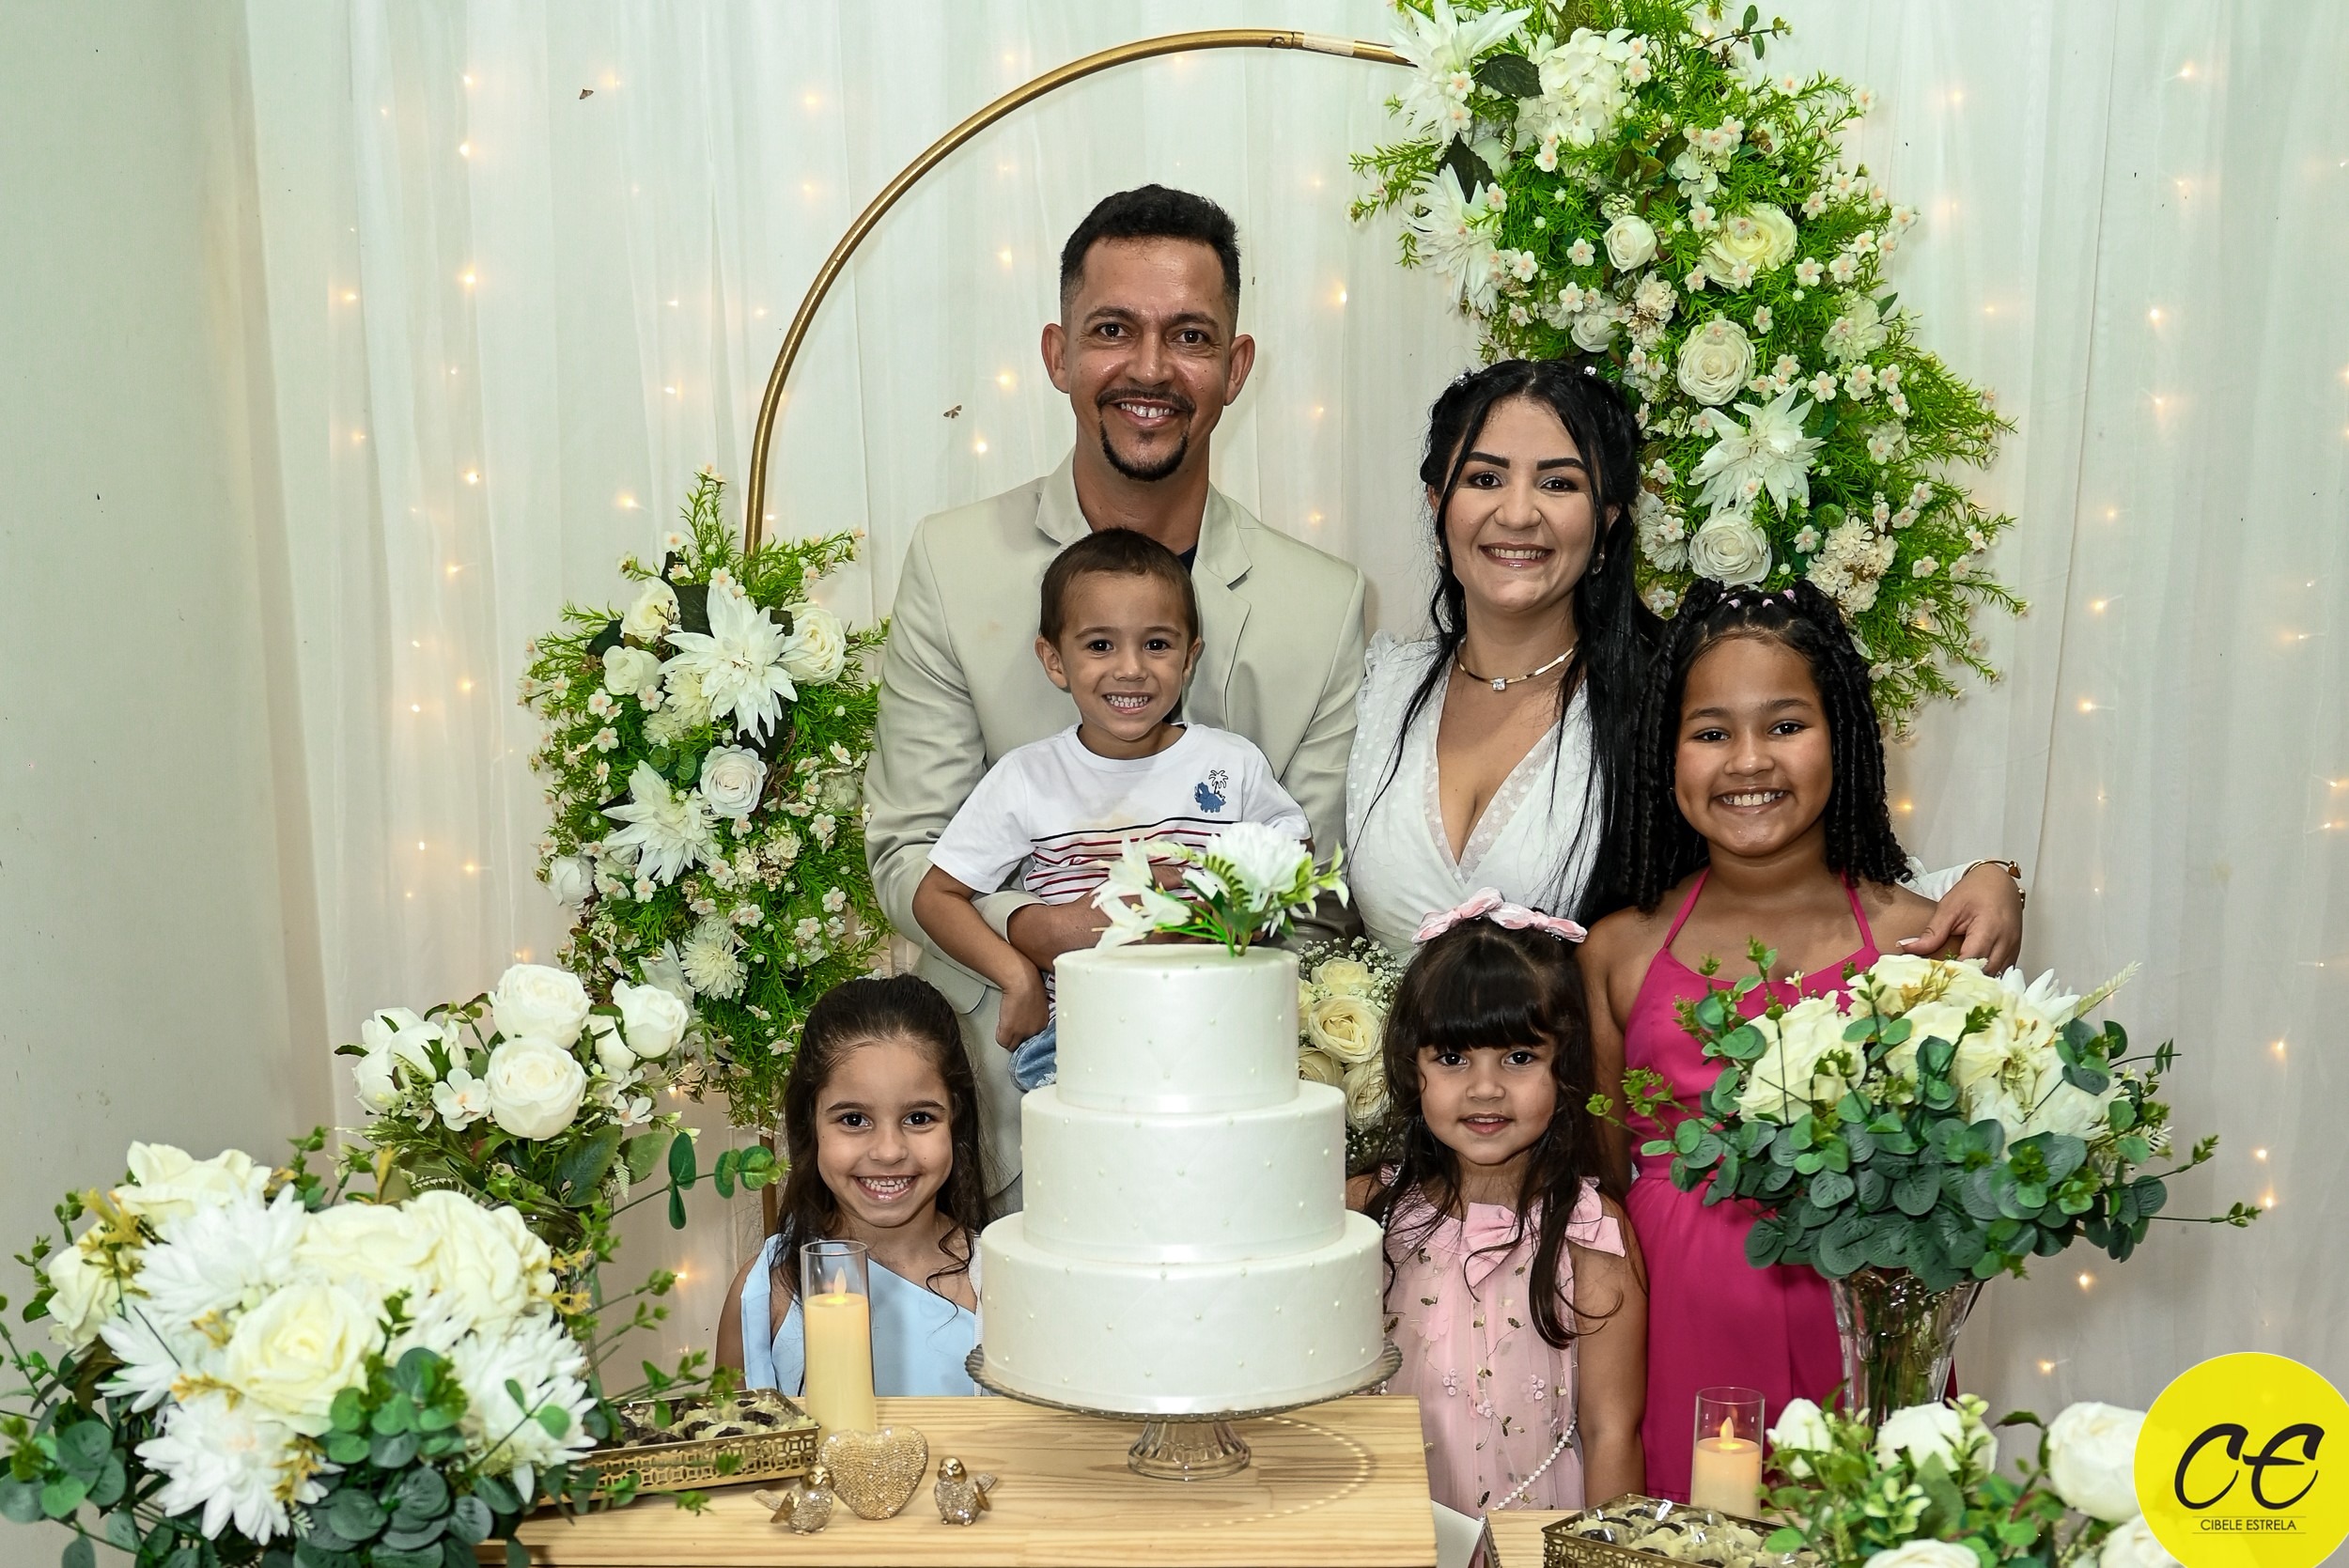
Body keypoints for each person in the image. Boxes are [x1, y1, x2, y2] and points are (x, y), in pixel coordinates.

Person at [866, 185, 1364, 1207]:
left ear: (1236, 366)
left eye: (1189, 335)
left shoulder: (1323, 602)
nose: (1149, 368)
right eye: (1111, 330)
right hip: (1003, 1125)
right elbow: (908, 850)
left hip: (1235, 1116)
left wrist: (1173, 938)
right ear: (1057, 355)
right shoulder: (954, 563)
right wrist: (1039, 931)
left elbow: (1315, 890)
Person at [1342, 358, 2027, 958]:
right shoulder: (1381, 685)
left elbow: (1816, 883)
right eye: (1486, 478)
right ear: (1439, 504)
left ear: (1609, 517)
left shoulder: (1669, 692)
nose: (1518, 514)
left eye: (1559, 485)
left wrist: (1987, 879)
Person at [1577, 580, 1942, 1501]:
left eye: (1785, 725)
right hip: (1674, 1339)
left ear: (1842, 737)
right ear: (1666, 754)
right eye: (1711, 732)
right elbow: (1602, 1181)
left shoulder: (1920, 941)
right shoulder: (1617, 950)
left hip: (1857, 1325)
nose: (1748, 760)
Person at [911, 529, 1310, 1088]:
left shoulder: (1230, 763)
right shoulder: (1028, 778)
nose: (1131, 669)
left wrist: (1227, 907)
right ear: (1054, 660)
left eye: (1157, 644)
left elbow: (1294, 851)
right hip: (1081, 1037)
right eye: (1100, 645)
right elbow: (935, 896)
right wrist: (1015, 974)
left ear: (1190, 657)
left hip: (1214, 1023)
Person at [1348, 904, 1647, 1516]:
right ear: (1411, 1065)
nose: (1485, 1088)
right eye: (1452, 1058)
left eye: (1518, 1057)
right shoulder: (1365, 1213)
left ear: (1564, 1065)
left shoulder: (1592, 1231)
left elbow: (1611, 1431)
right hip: (1392, 1530)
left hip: (1539, 1536)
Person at [717, 975, 989, 1396]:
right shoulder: (766, 1293)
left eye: (919, 1118)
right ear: (810, 1124)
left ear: (955, 1120)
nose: (888, 1151)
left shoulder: (999, 1285)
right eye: (854, 1120)